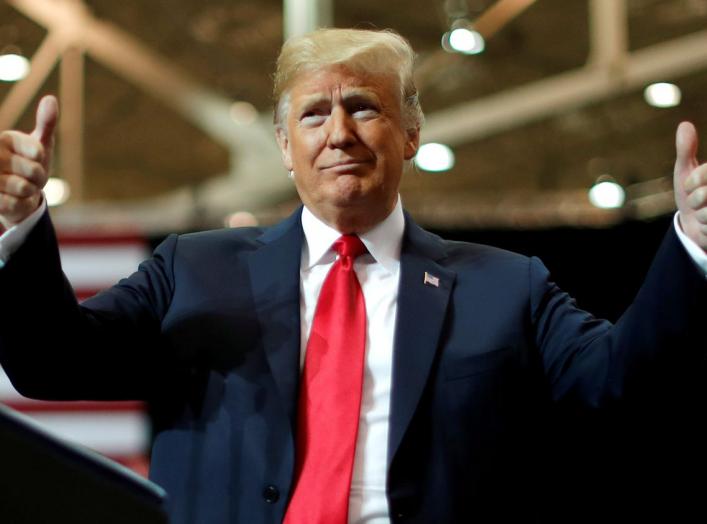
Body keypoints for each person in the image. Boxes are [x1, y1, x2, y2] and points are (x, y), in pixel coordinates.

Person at [0, 28, 706, 524]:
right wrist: (24, 227)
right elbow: (53, 364)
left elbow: (621, 385)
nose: (338, 132)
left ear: (410, 134)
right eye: (313, 113)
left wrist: (691, 246)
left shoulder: (506, 286)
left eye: (363, 106)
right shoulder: (195, 269)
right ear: (284, 146)